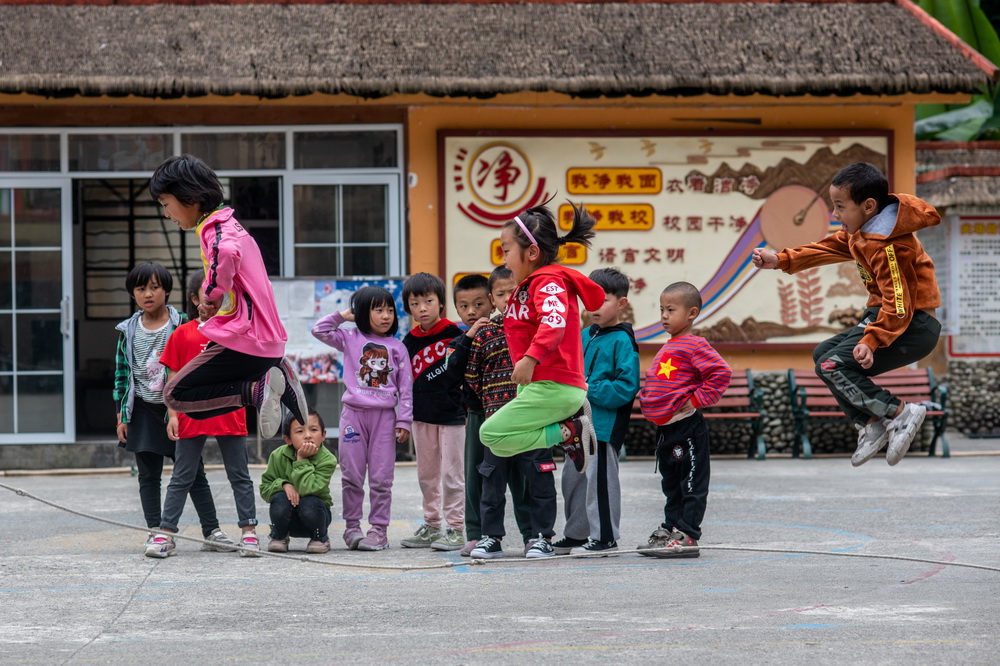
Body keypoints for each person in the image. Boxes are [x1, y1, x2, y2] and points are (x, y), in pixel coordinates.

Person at [752, 162, 942, 466]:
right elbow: (827, 248)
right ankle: (872, 423)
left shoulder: (891, 246)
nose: (835, 215)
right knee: (822, 355)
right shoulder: (861, 232)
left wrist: (872, 340)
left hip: (914, 326)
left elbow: (900, 304)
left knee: (831, 365)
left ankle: (899, 412)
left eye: (840, 206)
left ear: (868, 206)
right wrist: (781, 259)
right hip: (887, 319)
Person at [478, 202, 605, 558]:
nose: (503, 259)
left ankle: (569, 432)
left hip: (557, 385)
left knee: (488, 433)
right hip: (541, 386)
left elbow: (554, 323)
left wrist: (531, 358)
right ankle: (568, 434)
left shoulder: (547, 281)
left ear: (532, 252)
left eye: (506, 250)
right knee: (501, 444)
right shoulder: (532, 283)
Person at [151, 154, 308, 440]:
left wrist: (212, 291)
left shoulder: (216, 229)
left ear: (188, 196)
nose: (166, 213)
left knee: (176, 394)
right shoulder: (230, 224)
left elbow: (225, 253)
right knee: (196, 397)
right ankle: (274, 376)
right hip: (266, 344)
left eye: (165, 204)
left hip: (249, 340)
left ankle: (257, 388)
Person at [113, 262, 228, 556]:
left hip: (177, 411)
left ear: (166, 291)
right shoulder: (127, 330)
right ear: (133, 294)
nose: (148, 294)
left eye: (154, 287)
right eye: (140, 289)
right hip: (141, 412)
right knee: (148, 476)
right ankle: (156, 531)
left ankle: (212, 530)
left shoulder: (180, 324)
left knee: (191, 473)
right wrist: (121, 416)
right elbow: (122, 375)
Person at [149, 270, 259, 558]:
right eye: (206, 296)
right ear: (194, 299)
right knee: (182, 475)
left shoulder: (237, 333)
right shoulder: (182, 334)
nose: (212, 302)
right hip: (190, 413)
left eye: (219, 296)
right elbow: (172, 378)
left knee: (239, 475)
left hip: (230, 412)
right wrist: (172, 414)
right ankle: (166, 533)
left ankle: (249, 533)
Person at [311, 285, 413, 551]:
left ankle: (379, 531)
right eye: (378, 310)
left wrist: (404, 421)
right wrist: (343, 315)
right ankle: (352, 528)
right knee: (351, 476)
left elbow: (406, 388)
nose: (386, 315)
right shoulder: (349, 338)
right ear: (363, 313)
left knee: (381, 479)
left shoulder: (397, 347)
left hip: (384, 419)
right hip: (353, 417)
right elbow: (319, 330)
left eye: (390, 310)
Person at [637, 281, 732, 559]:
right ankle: (671, 529)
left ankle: (687, 535)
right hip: (666, 430)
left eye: (671, 309)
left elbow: (721, 374)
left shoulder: (694, 344)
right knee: (671, 484)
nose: (664, 315)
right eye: (661, 309)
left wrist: (693, 401)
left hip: (687, 428)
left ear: (691, 313)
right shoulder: (672, 345)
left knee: (690, 484)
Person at [465, 267, 548, 560]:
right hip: (497, 423)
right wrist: (492, 403)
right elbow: (472, 376)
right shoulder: (486, 333)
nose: (508, 298)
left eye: (515, 293)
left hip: (535, 421)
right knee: (492, 481)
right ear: (492, 298)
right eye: (501, 294)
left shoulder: (540, 331)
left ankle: (539, 537)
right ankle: (491, 537)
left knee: (538, 477)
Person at [557, 267, 640, 557]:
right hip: (576, 425)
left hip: (603, 428)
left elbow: (626, 388)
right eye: (590, 298)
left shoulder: (622, 341)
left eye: (603, 299)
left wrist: (589, 387)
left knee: (600, 483)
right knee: (574, 480)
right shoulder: (584, 335)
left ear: (622, 303)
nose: (594, 306)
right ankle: (577, 534)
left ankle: (605, 538)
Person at [398, 273, 467, 549]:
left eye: (428, 301)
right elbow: (403, 381)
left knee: (452, 474)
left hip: (452, 416)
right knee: (426, 474)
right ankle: (431, 525)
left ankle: (456, 528)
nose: (422, 308)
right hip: (421, 415)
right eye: (415, 303)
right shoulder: (409, 340)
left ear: (441, 304)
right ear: (408, 307)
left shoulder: (455, 334)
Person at [437, 273, 496, 554]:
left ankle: (530, 534)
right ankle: (474, 533)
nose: (472, 312)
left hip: (508, 413)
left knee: (517, 477)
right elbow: (449, 374)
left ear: (492, 303)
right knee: (473, 476)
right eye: (464, 306)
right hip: (475, 414)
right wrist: (469, 338)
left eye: (478, 304)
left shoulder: (504, 333)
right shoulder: (457, 342)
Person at [260, 409, 338, 554]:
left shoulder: (328, 460)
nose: (308, 435)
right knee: (279, 499)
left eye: (313, 430)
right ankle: (280, 536)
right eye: (300, 431)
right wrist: (283, 485)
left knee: (310, 502)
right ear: (288, 439)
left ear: (323, 435)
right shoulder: (277, 456)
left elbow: (309, 489)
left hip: (315, 518)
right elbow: (265, 489)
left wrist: (301, 459)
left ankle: (320, 538)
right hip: (288, 519)